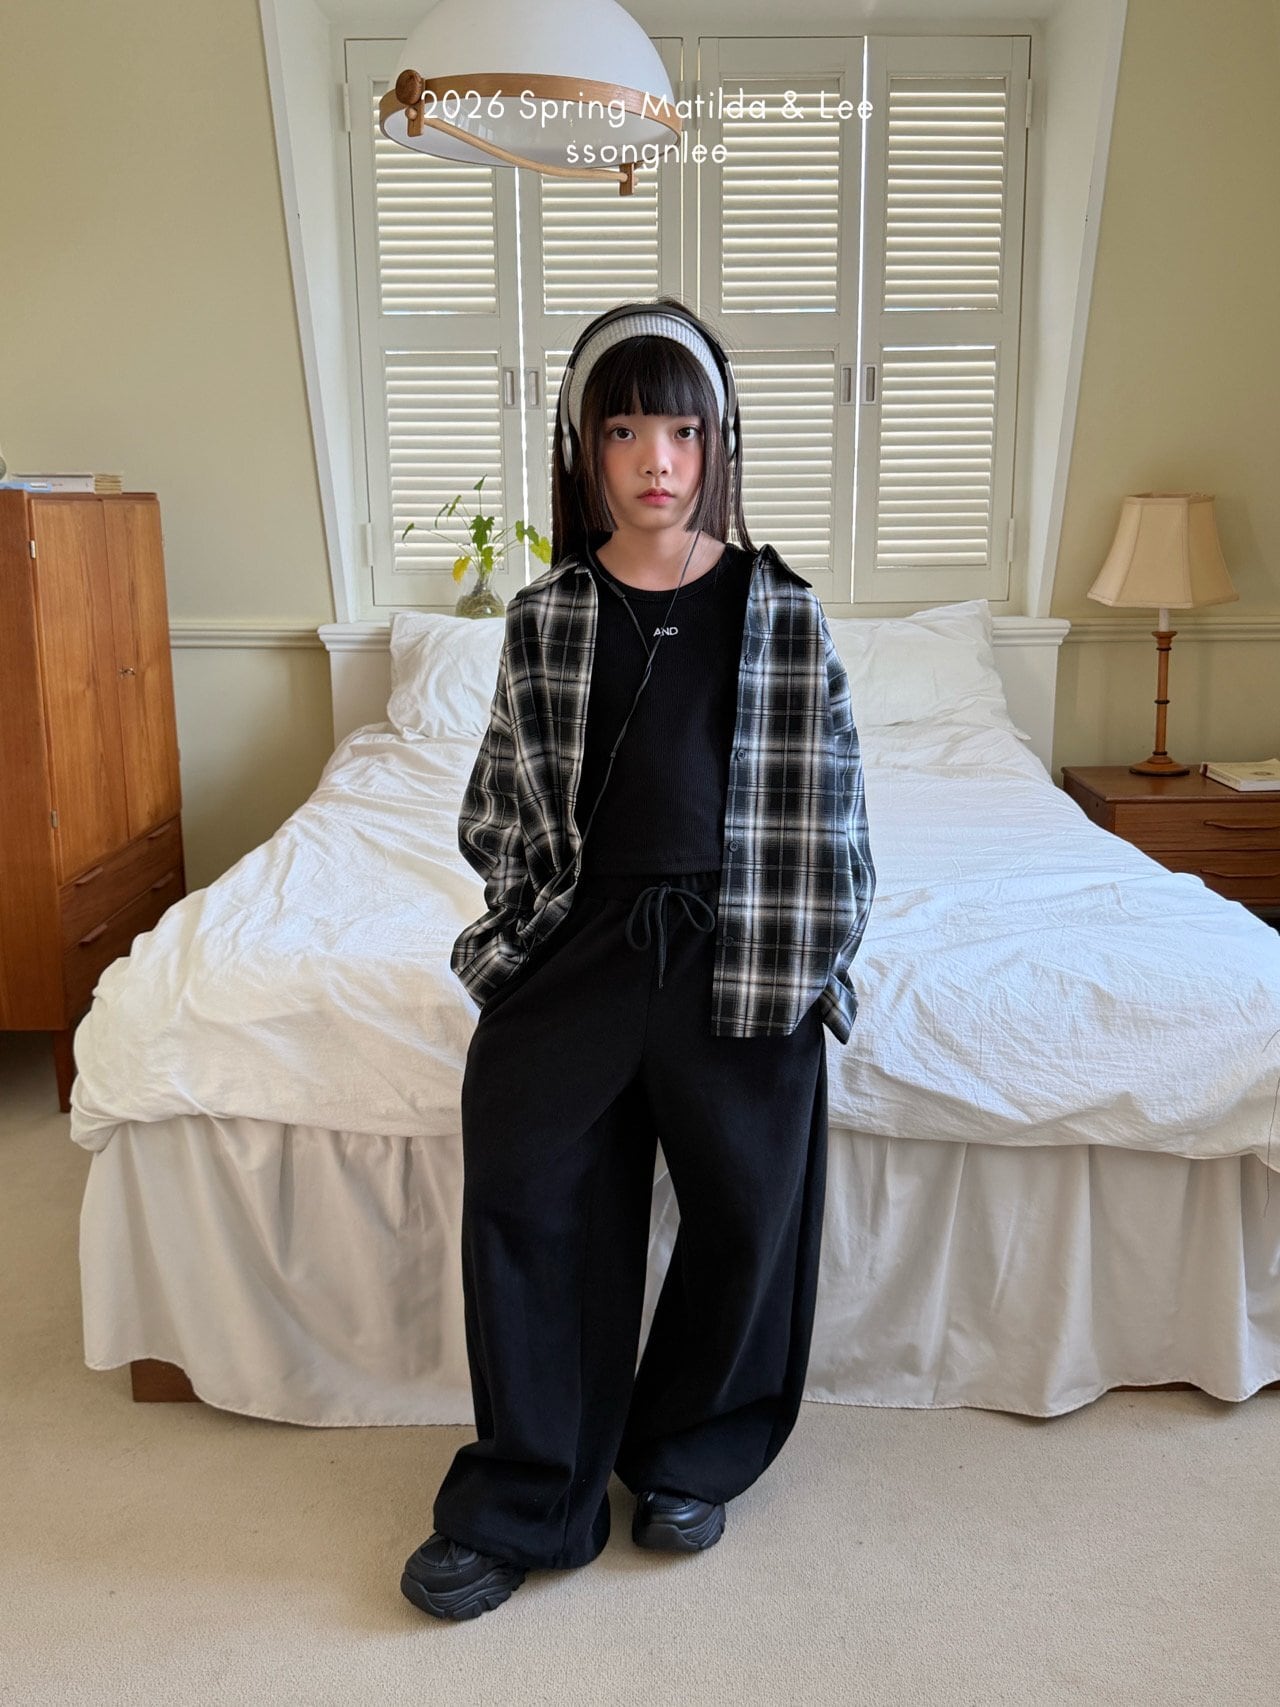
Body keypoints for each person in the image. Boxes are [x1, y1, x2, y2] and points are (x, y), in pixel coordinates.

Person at [400, 296, 876, 1622]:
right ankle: (531, 1492)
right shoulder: (547, 613)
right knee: (526, 1182)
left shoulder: (782, 610)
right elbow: (500, 803)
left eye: (682, 430)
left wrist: (811, 957)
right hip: (582, 941)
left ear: (718, 442)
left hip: (742, 938)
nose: (656, 460)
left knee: (750, 1203)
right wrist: (529, 923)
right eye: (623, 432)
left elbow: (834, 812)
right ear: (585, 451)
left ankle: (687, 1453)